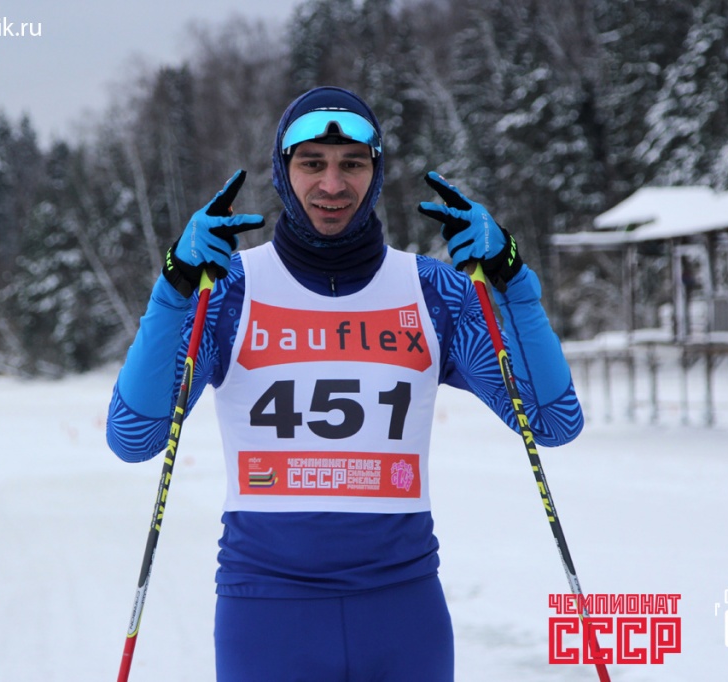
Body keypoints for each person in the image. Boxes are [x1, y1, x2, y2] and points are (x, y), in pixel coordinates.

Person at [106, 86, 584, 681]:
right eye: (312, 163)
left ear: (375, 173)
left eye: (352, 164)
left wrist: (513, 283)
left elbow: (552, 421)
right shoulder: (229, 290)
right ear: (283, 172)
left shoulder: (435, 292)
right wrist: (174, 288)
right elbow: (134, 437)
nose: (332, 185)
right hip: (268, 616)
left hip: (402, 615)